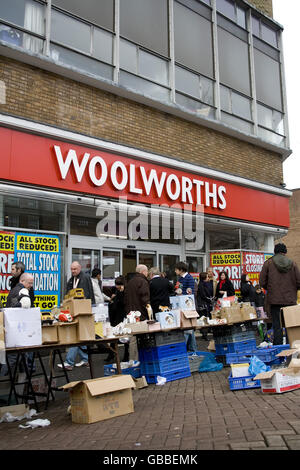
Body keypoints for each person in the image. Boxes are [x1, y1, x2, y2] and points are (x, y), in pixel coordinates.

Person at [259, 242, 300, 345]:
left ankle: (279, 349)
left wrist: (271, 289)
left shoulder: (268, 263)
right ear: (285, 252)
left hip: (274, 301)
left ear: (275, 251)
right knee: (290, 325)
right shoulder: (293, 263)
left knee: (277, 326)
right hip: (290, 300)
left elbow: (262, 282)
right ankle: (293, 347)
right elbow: (299, 282)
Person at [58, 262, 95, 371]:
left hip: (82, 310)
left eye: (75, 269)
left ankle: (69, 362)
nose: (73, 271)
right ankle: (85, 358)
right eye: (71, 269)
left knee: (76, 337)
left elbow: (88, 294)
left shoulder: (85, 278)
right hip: (75, 310)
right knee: (79, 336)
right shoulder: (71, 280)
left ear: (80, 268)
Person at [1, 273, 34, 376]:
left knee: (21, 357)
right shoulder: (21, 291)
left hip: (14, 328)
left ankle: (22, 383)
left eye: (32, 283)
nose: (31, 285)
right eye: (29, 283)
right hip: (16, 330)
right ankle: (3, 381)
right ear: (22, 281)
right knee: (13, 358)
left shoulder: (14, 290)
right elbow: (19, 307)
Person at [174, 261, 197, 352]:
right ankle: (193, 349)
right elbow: (177, 288)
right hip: (180, 305)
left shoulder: (189, 278)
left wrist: (180, 293)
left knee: (188, 329)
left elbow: (190, 294)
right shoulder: (180, 278)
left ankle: (185, 349)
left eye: (176, 269)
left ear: (181, 270)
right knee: (189, 329)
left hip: (187, 307)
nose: (175, 271)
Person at [106, 276, 129, 363]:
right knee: (115, 335)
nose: (117, 286)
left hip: (122, 316)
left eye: (119, 285)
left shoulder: (124, 292)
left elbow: (123, 303)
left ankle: (125, 355)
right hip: (117, 316)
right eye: (116, 284)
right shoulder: (116, 291)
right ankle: (112, 354)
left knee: (124, 336)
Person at [196, 272, 212, 341]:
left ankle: (204, 333)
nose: (208, 278)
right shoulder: (202, 285)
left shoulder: (203, 284)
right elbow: (203, 295)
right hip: (202, 304)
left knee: (204, 318)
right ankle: (204, 334)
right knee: (204, 318)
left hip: (203, 303)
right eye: (207, 277)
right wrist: (209, 300)